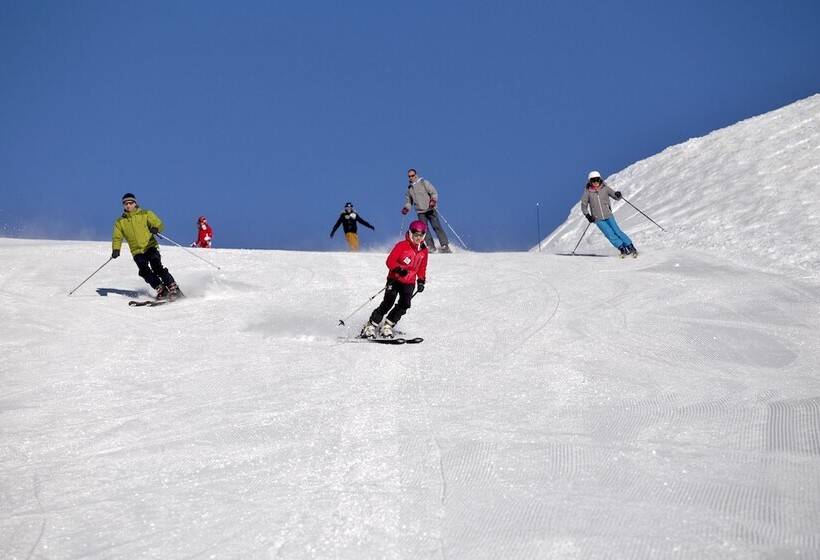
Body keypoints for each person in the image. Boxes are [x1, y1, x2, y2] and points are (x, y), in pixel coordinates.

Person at [360, 220, 429, 339]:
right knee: (388, 302)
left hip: (409, 282)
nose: (418, 238)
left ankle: (387, 325)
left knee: (405, 304)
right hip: (395, 279)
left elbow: (422, 267)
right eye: (416, 235)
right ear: (411, 233)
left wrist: (421, 280)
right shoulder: (402, 246)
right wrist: (398, 269)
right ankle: (371, 325)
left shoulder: (424, 250)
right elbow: (390, 261)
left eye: (421, 235)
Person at [111, 193, 182, 300]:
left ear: (135, 203)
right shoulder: (120, 222)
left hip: (150, 246)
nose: (128, 205)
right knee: (144, 271)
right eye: (126, 204)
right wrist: (116, 249)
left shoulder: (145, 213)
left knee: (156, 267)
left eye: (130, 203)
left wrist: (156, 228)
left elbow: (158, 223)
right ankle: (162, 289)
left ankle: (173, 287)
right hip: (137, 251)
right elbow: (117, 237)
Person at [580, 171, 638, 257]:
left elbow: (615, 196)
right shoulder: (587, 192)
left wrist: (618, 194)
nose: (596, 182)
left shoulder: (605, 188)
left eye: (597, 180)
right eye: (593, 180)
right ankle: (622, 248)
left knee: (617, 231)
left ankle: (630, 246)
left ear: (600, 179)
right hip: (597, 218)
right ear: (590, 181)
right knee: (609, 234)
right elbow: (583, 205)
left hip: (608, 215)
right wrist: (588, 215)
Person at [401, 168, 451, 253]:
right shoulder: (410, 189)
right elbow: (409, 201)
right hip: (420, 212)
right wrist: (406, 208)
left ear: (416, 175)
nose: (411, 177)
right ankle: (431, 246)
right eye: (409, 176)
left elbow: (434, 192)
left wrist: (433, 201)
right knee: (424, 230)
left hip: (430, 208)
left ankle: (444, 245)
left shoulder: (424, 183)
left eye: (412, 175)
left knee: (436, 227)